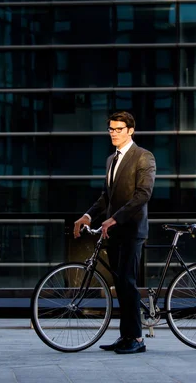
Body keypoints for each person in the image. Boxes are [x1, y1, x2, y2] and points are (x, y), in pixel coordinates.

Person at [73, 111, 156, 354]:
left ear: (131, 130)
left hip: (131, 230)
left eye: (119, 129)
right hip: (114, 231)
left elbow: (143, 194)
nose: (114, 133)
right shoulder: (112, 159)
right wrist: (88, 215)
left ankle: (138, 340)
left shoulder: (143, 157)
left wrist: (115, 219)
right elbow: (106, 197)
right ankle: (126, 336)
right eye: (111, 129)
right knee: (119, 284)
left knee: (127, 282)